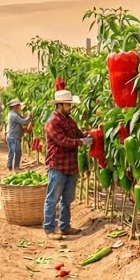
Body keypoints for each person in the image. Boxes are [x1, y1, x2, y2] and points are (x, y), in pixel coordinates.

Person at [43, 90, 91, 240]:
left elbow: (77, 134)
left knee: (67, 199)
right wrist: (81, 142)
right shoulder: (52, 122)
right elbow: (62, 141)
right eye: (68, 104)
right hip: (57, 165)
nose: (71, 107)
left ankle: (64, 226)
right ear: (60, 105)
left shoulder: (69, 120)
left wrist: (90, 135)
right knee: (53, 199)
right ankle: (49, 229)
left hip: (70, 166)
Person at [5, 99, 31, 171]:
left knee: (12, 151)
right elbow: (23, 121)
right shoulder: (14, 115)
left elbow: (22, 119)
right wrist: (30, 116)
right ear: (15, 106)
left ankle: (9, 166)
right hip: (13, 137)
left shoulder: (14, 113)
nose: (20, 107)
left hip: (11, 136)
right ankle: (16, 167)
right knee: (17, 152)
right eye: (19, 105)